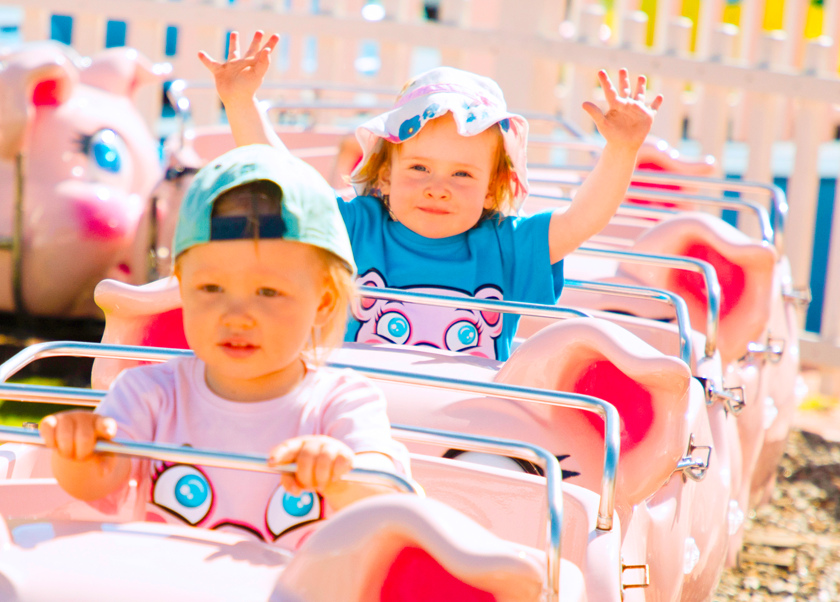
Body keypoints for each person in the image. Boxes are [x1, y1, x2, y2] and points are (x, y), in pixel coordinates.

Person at [202, 31, 662, 360]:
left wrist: (622, 150)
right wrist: (240, 101)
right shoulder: (357, 226)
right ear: (383, 176)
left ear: (492, 188)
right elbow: (287, 180)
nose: (436, 187)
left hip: (461, 431)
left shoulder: (506, 245)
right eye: (418, 167)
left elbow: (583, 219)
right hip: (352, 415)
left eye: (462, 174)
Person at [40, 146, 409, 546]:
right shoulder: (147, 392)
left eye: (268, 291)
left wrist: (340, 472)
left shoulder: (343, 402)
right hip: (171, 595)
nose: (236, 315)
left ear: (322, 303)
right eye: (211, 288)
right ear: (183, 289)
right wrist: (78, 450)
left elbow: (383, 496)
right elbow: (93, 485)